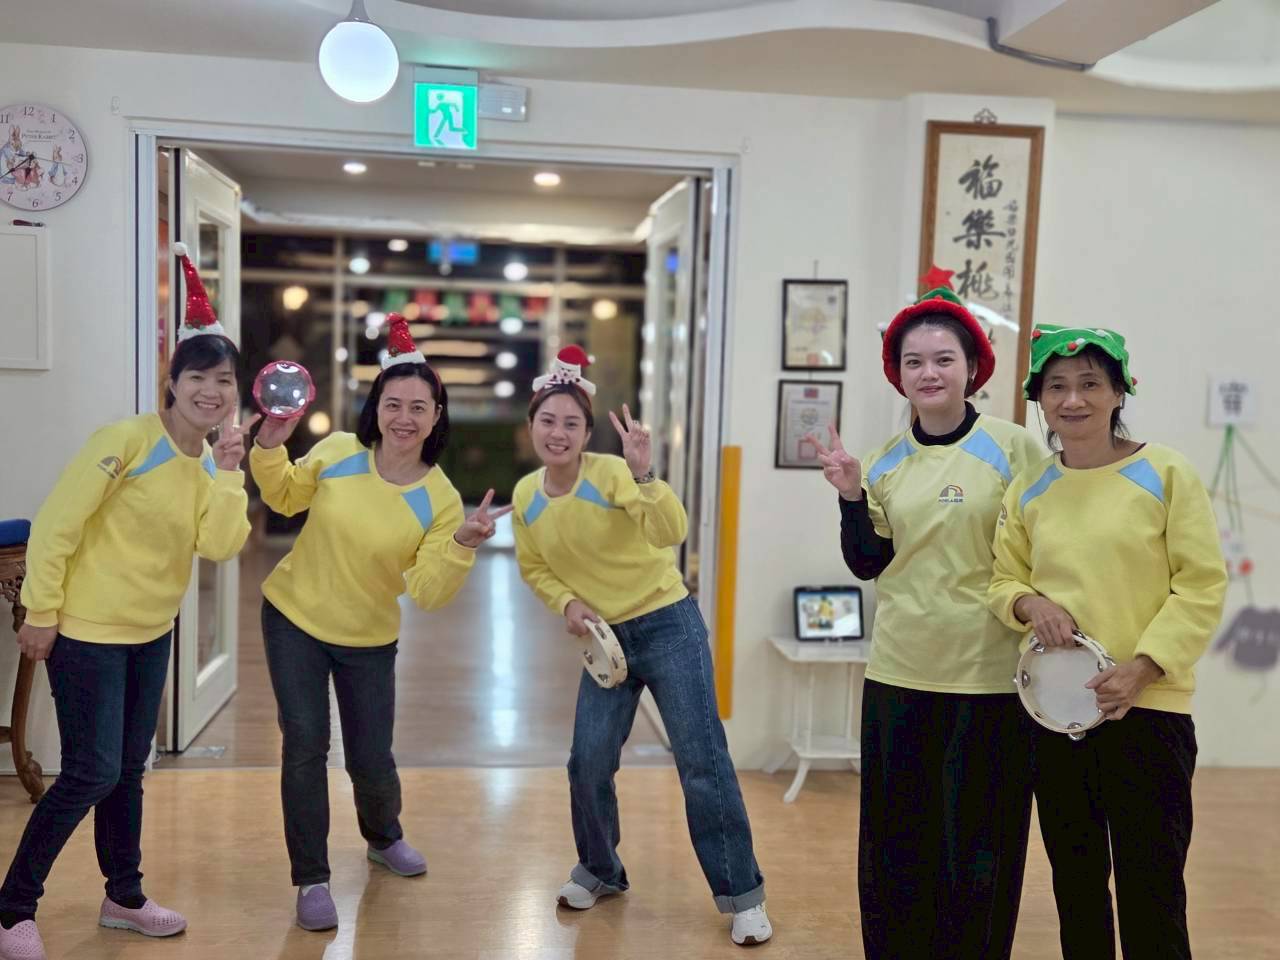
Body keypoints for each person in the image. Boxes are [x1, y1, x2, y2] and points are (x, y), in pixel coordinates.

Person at [0, 244, 255, 960]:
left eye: (224, 380)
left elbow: (220, 544)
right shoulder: (127, 439)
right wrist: (41, 612)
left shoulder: (207, 461)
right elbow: (59, 523)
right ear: (172, 383)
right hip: (85, 631)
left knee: (128, 769)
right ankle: (12, 910)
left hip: (150, 632)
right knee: (91, 771)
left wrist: (231, 474)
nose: (211, 391)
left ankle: (124, 896)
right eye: (198, 377)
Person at [809, 283, 1044, 959]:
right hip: (899, 673)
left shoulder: (1014, 448)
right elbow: (869, 562)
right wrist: (850, 496)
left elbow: (1043, 548)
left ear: (973, 367)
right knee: (897, 846)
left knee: (981, 847)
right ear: (898, 373)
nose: (929, 373)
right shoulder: (884, 461)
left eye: (944, 359)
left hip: (990, 679)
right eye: (914, 361)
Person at [250, 314, 507, 932]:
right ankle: (311, 878)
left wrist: (461, 544)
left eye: (419, 408)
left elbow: (428, 591)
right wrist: (269, 448)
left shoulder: (439, 499)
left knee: (370, 757)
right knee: (305, 745)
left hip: (368, 637)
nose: (404, 418)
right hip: (294, 617)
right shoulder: (339, 452)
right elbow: (284, 497)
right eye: (394, 404)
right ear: (377, 408)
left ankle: (383, 836)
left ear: (437, 416)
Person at [510, 347, 771, 947]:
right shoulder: (526, 496)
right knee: (587, 761)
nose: (558, 433)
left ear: (586, 433)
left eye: (571, 423)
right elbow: (535, 567)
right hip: (605, 641)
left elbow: (670, 531)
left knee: (701, 762)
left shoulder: (610, 474)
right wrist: (566, 603)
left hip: (667, 623)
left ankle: (743, 895)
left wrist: (644, 474)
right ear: (531, 426)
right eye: (547, 421)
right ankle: (600, 869)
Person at [988, 324, 1227, 960]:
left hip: (1148, 712)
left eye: (1091, 383)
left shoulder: (1166, 472)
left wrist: (1143, 667)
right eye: (1057, 387)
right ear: (1039, 399)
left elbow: (1201, 584)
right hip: (1058, 719)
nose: (1073, 400)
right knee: (1077, 885)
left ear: (1120, 392)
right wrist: (1030, 603)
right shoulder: (1030, 488)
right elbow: (1003, 579)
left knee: (1153, 886)